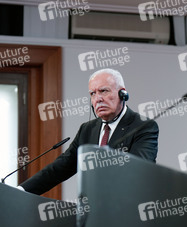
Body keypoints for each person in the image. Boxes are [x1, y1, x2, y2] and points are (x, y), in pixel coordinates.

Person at [19, 68, 159, 195]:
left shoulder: (143, 126)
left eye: (104, 91)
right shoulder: (87, 129)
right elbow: (61, 168)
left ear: (123, 93)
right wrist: (22, 190)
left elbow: (140, 171)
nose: (98, 99)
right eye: (93, 93)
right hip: (92, 212)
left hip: (128, 211)